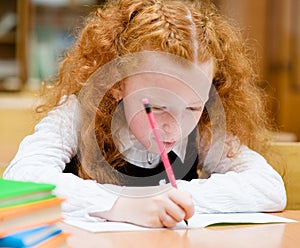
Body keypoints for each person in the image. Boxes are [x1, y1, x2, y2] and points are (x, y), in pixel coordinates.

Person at [4, 0, 286, 228]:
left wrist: (172, 200)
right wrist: (122, 204)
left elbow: (268, 187)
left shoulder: (203, 129)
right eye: (156, 108)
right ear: (116, 84)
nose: (175, 128)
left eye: (193, 107)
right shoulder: (77, 113)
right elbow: (22, 180)